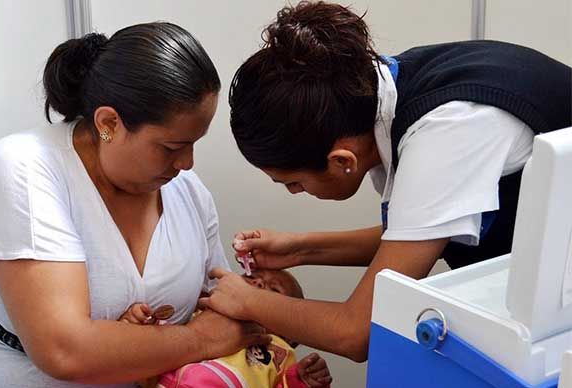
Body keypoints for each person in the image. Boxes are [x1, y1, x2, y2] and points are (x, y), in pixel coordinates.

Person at [199, 1, 572, 362]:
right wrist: (300, 249)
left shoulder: (447, 133)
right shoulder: (374, 90)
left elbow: (356, 332)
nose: (297, 193)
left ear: (342, 160)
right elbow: (420, 234)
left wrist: (248, 301)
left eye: (293, 183)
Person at [0, 23, 269, 387]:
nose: (188, 163)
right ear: (109, 123)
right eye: (171, 148)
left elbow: (225, 311)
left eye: (194, 144)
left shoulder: (187, 190)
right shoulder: (24, 167)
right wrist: (202, 340)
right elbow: (65, 350)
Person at [120, 270, 332, 388]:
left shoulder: (280, 352)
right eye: (250, 278)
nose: (258, 283)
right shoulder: (200, 317)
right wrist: (144, 324)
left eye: (274, 290)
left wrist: (302, 380)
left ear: (291, 334)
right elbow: (156, 353)